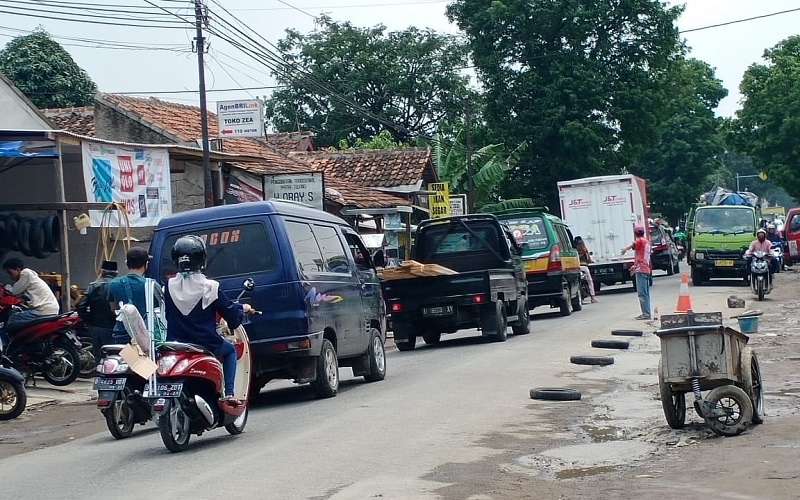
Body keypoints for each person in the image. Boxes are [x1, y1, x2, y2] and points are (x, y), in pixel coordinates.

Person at [164, 235, 251, 405]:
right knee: (230, 350)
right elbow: (229, 312)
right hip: (204, 341)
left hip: (175, 342)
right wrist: (242, 310)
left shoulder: (168, 285)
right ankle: (229, 393)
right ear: (202, 258)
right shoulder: (209, 286)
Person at [76, 261, 118, 362]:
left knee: (98, 358)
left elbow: (81, 306)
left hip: (96, 327)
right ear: (116, 273)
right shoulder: (118, 285)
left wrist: (89, 321)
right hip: (113, 327)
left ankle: (100, 376)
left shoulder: (92, 286)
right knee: (113, 358)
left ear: (102, 272)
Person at [107, 247, 151, 344]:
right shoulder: (151, 285)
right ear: (146, 264)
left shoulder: (114, 283)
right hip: (145, 335)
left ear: (127, 263)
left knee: (125, 358)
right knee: (144, 359)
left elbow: (113, 309)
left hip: (121, 334)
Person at [2, 258, 60, 327]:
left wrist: (6, 286)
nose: (10, 277)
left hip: (42, 311)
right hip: (50, 310)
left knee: (13, 318)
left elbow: (14, 291)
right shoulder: (30, 276)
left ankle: (18, 337)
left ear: (17, 270)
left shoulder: (26, 273)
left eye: (10, 273)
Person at [620, 226, 651, 320]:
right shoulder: (646, 242)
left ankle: (646, 314)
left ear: (635, 234)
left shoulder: (640, 241)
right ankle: (647, 312)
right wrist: (635, 265)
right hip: (645, 268)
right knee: (645, 293)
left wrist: (625, 249)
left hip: (641, 270)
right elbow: (643, 257)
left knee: (642, 293)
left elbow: (634, 243)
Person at [574, 236, 598, 303]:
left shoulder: (574, 250)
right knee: (590, 282)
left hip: (576, 268)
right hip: (584, 267)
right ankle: (592, 298)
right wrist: (590, 261)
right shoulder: (584, 249)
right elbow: (588, 259)